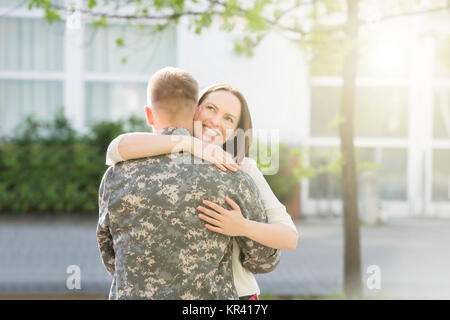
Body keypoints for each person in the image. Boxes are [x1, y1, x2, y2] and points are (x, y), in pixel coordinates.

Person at [97, 67, 281, 300]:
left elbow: (111, 256)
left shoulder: (115, 175)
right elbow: (264, 260)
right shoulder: (231, 176)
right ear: (196, 111)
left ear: (148, 114)